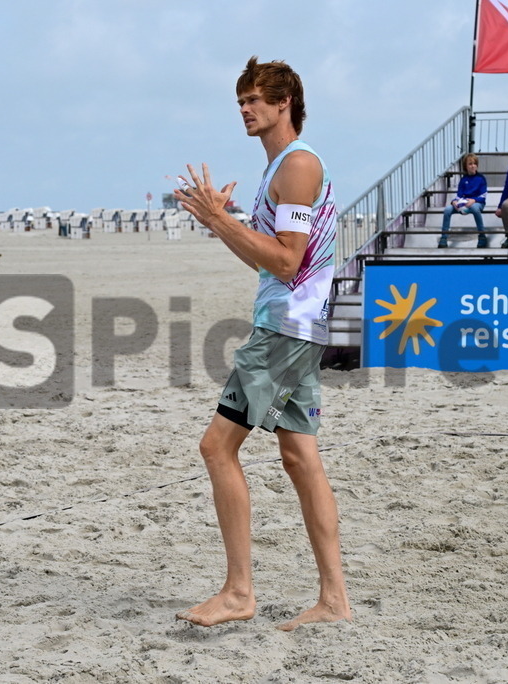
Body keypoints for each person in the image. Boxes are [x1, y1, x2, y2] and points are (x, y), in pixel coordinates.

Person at [173, 56, 351, 631]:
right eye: (241, 101)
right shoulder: (281, 166)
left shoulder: (297, 165)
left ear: (284, 104)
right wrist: (223, 220)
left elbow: (287, 261)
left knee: (217, 448)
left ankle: (238, 592)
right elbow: (264, 258)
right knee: (300, 457)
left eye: (254, 99)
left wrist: (221, 221)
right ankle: (333, 601)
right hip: (297, 327)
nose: (245, 109)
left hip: (284, 331)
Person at [438, 153, 487, 248]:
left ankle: (482, 236)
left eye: (474, 163)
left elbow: (483, 196)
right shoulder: (463, 180)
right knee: (448, 210)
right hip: (464, 203)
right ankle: (444, 238)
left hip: (478, 203)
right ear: (466, 166)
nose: (473, 166)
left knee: (475, 209)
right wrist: (454, 202)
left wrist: (474, 200)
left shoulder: (481, 178)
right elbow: (459, 195)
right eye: (470, 164)